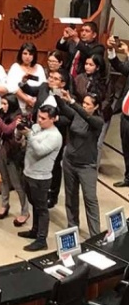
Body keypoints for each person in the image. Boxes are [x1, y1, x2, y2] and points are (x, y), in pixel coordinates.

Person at [19, 69, 71, 208]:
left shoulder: (67, 98)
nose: (51, 80)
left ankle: (52, 194)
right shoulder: (43, 87)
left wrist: (54, 119)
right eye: (50, 77)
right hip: (37, 129)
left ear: (63, 83)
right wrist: (24, 82)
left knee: (55, 165)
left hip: (53, 134)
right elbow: (30, 90)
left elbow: (69, 118)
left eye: (55, 78)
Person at [56, 90, 102, 236]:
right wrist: (56, 94)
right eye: (83, 103)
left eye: (88, 104)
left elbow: (86, 116)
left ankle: (95, 235)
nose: (84, 106)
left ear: (96, 107)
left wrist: (72, 102)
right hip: (69, 162)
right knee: (70, 196)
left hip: (87, 166)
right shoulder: (76, 115)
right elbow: (64, 108)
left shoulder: (98, 121)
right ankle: (72, 227)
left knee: (90, 199)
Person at [17, 105, 63, 251]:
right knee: (34, 204)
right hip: (28, 173)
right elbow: (24, 142)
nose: (39, 120)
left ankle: (42, 240)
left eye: (43, 118)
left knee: (42, 208)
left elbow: (39, 151)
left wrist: (29, 134)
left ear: (53, 119)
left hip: (41, 178)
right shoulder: (37, 127)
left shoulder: (55, 136)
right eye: (39, 117)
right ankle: (35, 230)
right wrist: (20, 131)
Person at [0, 94, 29, 226]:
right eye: (2, 103)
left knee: (17, 184)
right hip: (0, 150)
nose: (3, 106)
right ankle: (4, 205)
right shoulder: (2, 114)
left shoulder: (18, 117)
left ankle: (25, 211)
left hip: (13, 154)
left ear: (12, 104)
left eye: (5, 104)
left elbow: (7, 129)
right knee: (4, 180)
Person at [107, 37, 129, 187]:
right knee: (126, 147)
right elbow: (122, 68)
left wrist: (127, 53)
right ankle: (128, 177)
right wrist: (111, 50)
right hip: (126, 114)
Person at [6, 42, 46, 113]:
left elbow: (44, 87)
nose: (27, 57)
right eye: (25, 53)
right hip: (19, 106)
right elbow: (13, 87)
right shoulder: (15, 67)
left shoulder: (39, 68)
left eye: (30, 54)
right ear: (20, 54)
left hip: (37, 106)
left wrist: (36, 102)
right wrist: (27, 100)